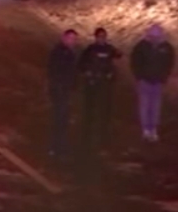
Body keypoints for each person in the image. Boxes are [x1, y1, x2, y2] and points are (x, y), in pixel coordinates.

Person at [78, 27, 122, 150]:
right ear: (96, 37)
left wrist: (111, 73)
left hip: (105, 83)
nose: (102, 38)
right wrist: (87, 73)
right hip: (92, 83)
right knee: (90, 108)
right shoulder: (90, 49)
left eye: (104, 36)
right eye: (100, 36)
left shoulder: (109, 49)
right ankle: (87, 134)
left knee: (105, 109)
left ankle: (104, 133)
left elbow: (119, 55)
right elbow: (81, 64)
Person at [130, 23, 177, 142]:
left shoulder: (167, 48)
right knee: (145, 105)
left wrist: (164, 77)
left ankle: (153, 128)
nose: (154, 38)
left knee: (155, 106)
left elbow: (169, 64)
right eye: (153, 36)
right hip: (145, 81)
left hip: (158, 81)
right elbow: (135, 62)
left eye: (156, 36)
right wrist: (139, 77)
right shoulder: (141, 46)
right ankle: (146, 129)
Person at [46, 29, 80, 157]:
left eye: (74, 39)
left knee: (63, 118)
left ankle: (59, 145)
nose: (73, 41)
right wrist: (59, 86)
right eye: (71, 38)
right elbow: (54, 71)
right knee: (58, 118)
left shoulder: (69, 53)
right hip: (59, 90)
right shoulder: (58, 52)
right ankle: (55, 147)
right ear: (64, 38)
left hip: (64, 90)